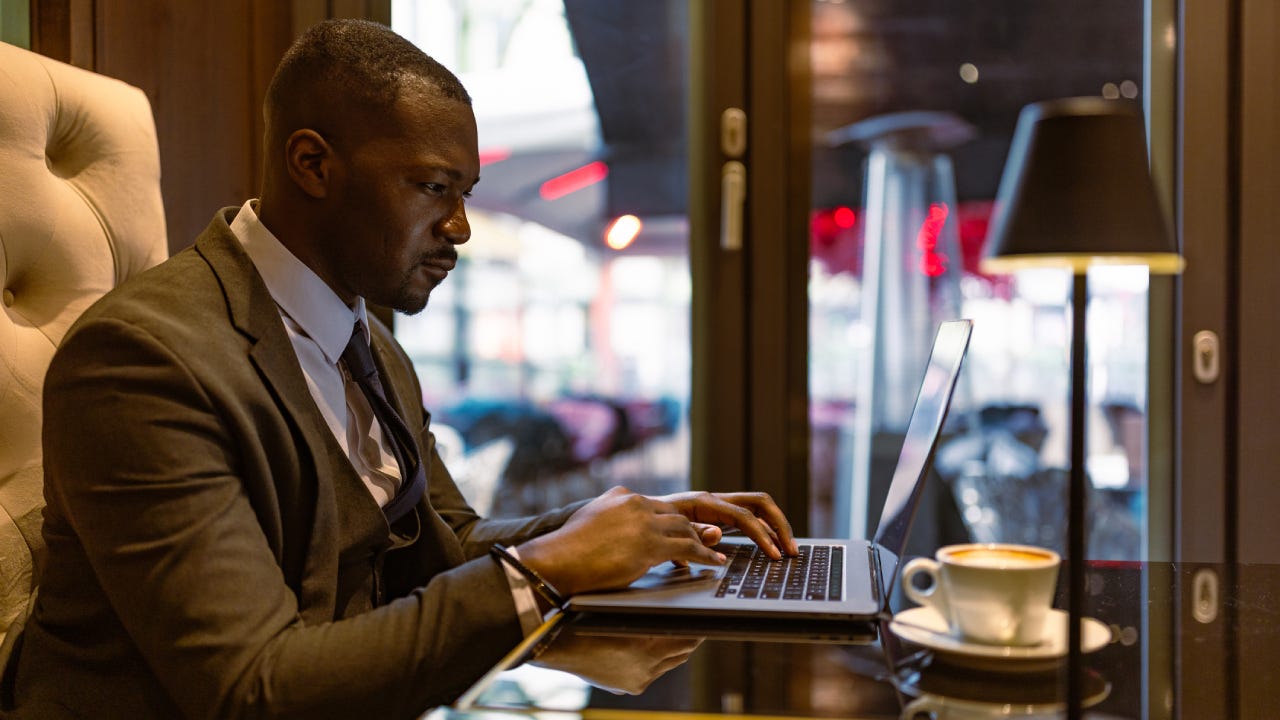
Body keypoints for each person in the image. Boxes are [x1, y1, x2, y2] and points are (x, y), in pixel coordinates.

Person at [4, 18, 796, 720]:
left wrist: (621, 528)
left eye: (467, 194)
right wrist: (541, 575)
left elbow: (445, 537)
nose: (459, 227)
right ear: (313, 164)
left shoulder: (369, 341)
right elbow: (250, 688)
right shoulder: (141, 360)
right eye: (433, 187)